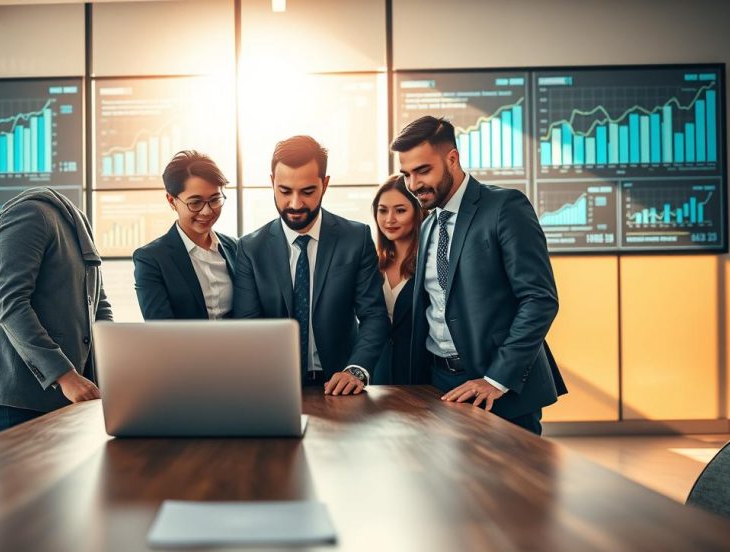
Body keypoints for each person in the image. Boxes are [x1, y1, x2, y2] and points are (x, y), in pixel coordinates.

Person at [392, 116, 566, 435]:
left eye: (423, 170)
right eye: (406, 174)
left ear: (452, 159)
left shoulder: (504, 207)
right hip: (440, 385)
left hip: (499, 388)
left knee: (512, 484)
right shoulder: (429, 226)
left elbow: (539, 299)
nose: (413, 184)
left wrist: (496, 379)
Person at [233, 135, 389, 396]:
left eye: (307, 192)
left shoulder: (356, 238)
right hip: (275, 387)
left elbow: (374, 316)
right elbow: (248, 328)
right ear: (272, 182)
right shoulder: (250, 249)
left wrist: (357, 370)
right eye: (284, 191)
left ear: (324, 184)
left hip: (342, 388)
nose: (295, 204)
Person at [0, 187, 112, 434]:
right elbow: (10, 304)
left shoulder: (75, 221)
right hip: (24, 400)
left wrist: (116, 363)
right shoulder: (28, 215)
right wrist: (65, 376)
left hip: (73, 394)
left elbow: (97, 304)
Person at [133, 151, 238, 320]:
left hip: (240, 345)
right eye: (195, 202)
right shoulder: (151, 259)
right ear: (171, 201)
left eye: (214, 199)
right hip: (184, 347)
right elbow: (161, 329)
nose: (207, 211)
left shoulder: (236, 248)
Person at [370, 174, 427, 385]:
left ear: (418, 213)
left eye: (400, 210)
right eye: (383, 210)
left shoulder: (430, 265)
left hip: (422, 379)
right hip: (377, 376)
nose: (389, 219)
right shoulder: (372, 267)